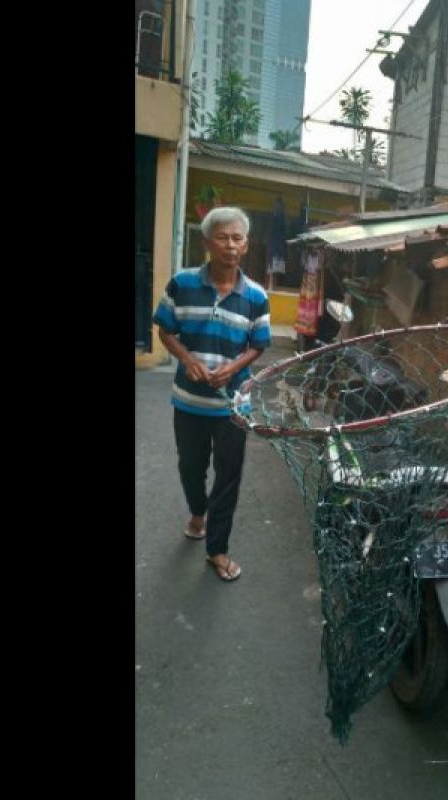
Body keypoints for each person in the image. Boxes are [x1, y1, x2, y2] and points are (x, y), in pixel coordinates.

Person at [153, 206, 271, 582]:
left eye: (238, 238)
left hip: (234, 405)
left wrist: (233, 369)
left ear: (246, 244)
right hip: (188, 401)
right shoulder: (182, 283)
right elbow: (166, 330)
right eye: (223, 237)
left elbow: (258, 343)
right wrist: (187, 359)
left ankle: (217, 549)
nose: (231, 245)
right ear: (207, 242)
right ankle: (197, 512)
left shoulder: (256, 295)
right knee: (190, 467)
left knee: (229, 476)